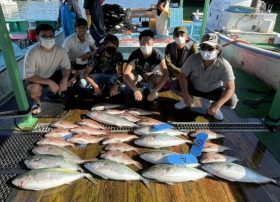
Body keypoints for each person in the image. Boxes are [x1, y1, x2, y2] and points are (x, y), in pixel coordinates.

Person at [176, 33, 238, 120]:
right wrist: (186, 95)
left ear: (218, 49)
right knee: (173, 84)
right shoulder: (193, 58)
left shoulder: (224, 65)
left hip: (213, 91)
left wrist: (217, 105)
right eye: (203, 47)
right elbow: (182, 76)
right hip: (194, 87)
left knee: (232, 101)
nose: (206, 51)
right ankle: (187, 100)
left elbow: (230, 88)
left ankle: (214, 107)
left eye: (210, 48)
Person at [23, 24, 71, 114]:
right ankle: (36, 103)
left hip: (51, 74)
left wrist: (65, 79)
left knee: (72, 79)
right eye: (44, 36)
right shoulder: (32, 53)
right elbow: (28, 76)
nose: (48, 39)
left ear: (54, 36)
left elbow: (66, 67)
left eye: (51, 36)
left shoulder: (61, 50)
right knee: (33, 90)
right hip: (36, 78)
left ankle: (54, 92)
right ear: (37, 38)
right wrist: (49, 82)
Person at [123, 29, 169, 102]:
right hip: (139, 77)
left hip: (153, 77)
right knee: (129, 76)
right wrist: (135, 90)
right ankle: (136, 90)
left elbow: (166, 74)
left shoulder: (158, 54)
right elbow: (125, 74)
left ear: (153, 42)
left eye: (148, 43)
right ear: (139, 43)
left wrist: (154, 91)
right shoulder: (135, 54)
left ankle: (154, 91)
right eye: (143, 43)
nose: (146, 45)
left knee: (163, 79)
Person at [63, 18, 95, 86]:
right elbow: (62, 58)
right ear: (75, 28)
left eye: (84, 27)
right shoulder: (68, 40)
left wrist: (89, 54)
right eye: (79, 27)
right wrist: (71, 69)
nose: (82, 30)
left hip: (81, 61)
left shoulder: (88, 37)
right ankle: (77, 77)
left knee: (94, 59)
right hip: (70, 63)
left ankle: (82, 76)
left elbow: (94, 50)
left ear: (87, 29)